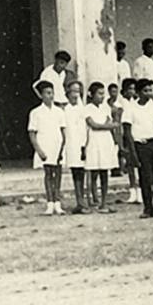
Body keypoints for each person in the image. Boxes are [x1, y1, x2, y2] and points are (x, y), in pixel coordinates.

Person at [125, 78, 153, 217]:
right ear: (138, 92)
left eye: (150, 90)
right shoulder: (131, 108)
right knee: (146, 178)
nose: (148, 93)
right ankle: (148, 208)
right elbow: (127, 132)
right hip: (141, 145)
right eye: (145, 91)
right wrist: (133, 153)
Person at [27, 81, 67, 215]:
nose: (51, 96)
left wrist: (62, 149)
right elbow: (32, 133)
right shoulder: (36, 112)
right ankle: (50, 204)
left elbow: (63, 132)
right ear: (41, 95)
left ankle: (58, 203)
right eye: (48, 93)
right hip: (45, 145)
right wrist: (39, 151)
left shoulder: (59, 112)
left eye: (52, 93)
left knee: (58, 175)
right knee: (49, 174)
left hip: (57, 146)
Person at [82, 82, 119, 212]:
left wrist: (108, 126)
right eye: (99, 93)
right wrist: (108, 126)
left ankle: (103, 202)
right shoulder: (87, 108)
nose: (102, 96)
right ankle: (93, 199)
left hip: (105, 142)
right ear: (92, 94)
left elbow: (109, 121)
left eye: (104, 94)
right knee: (93, 171)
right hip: (94, 142)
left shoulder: (105, 108)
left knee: (104, 172)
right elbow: (93, 125)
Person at [61, 81, 91, 212]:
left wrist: (84, 145)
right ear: (67, 92)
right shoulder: (65, 110)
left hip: (82, 144)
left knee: (82, 173)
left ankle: (83, 201)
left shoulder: (82, 109)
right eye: (73, 91)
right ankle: (79, 201)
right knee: (76, 173)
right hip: (71, 145)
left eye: (78, 91)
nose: (75, 94)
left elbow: (85, 129)